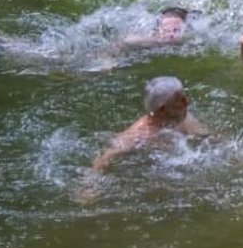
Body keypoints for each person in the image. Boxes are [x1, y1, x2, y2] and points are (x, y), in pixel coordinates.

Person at [78, 75, 210, 201]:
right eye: (180, 100)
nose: (187, 102)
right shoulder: (140, 134)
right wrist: (89, 189)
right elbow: (104, 158)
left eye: (184, 97)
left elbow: (209, 137)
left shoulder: (183, 118)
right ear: (162, 109)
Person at [0, 6, 188, 60]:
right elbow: (120, 44)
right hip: (92, 52)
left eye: (176, 30)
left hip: (93, 47)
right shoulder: (146, 37)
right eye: (167, 29)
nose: (170, 34)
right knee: (47, 56)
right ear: (158, 26)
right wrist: (106, 60)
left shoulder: (183, 38)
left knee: (47, 54)